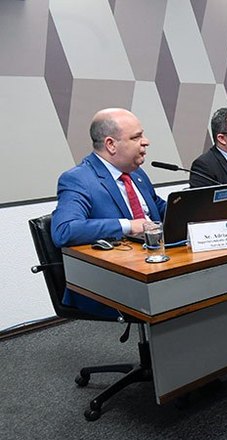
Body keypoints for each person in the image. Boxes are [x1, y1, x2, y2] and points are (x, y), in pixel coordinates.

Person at [51, 108, 167, 316]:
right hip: (111, 281)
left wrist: (193, 207)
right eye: (137, 137)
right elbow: (64, 230)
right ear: (111, 144)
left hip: (154, 265)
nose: (146, 141)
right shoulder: (79, 179)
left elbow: (158, 209)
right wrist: (129, 225)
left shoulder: (136, 173)